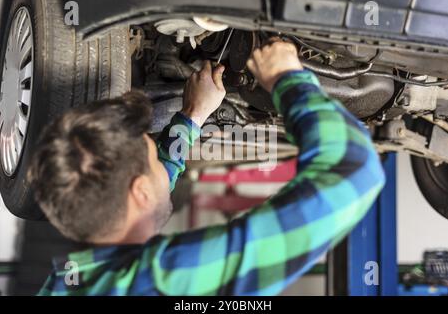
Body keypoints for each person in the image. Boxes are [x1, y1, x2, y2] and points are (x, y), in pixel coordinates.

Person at [29, 39, 385, 296]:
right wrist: (288, 81)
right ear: (138, 191)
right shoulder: (166, 279)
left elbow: (146, 193)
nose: (161, 168)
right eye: (153, 158)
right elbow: (354, 168)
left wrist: (192, 117)